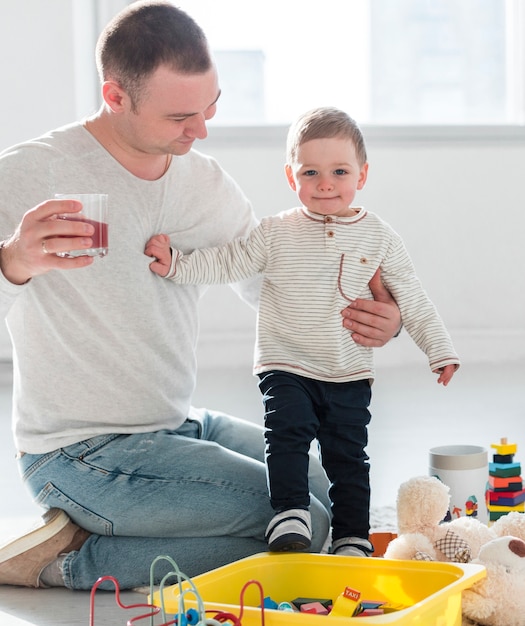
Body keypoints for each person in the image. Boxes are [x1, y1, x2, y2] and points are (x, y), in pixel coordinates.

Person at [0, 2, 401, 591]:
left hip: (175, 424)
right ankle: (65, 563)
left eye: (211, 106)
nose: (201, 130)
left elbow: (266, 282)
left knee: (331, 498)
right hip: (76, 451)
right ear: (116, 97)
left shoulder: (202, 181)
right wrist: (11, 262)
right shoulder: (32, 172)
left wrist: (365, 316)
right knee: (300, 524)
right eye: (180, 116)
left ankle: (112, 529)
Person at [145, 106, 460, 557]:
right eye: (310, 172)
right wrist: (177, 263)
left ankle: (353, 535)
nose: (325, 183)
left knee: (348, 457)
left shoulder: (379, 237)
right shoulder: (276, 232)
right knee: (286, 435)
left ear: (362, 175)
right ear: (292, 178)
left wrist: (439, 350)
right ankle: (290, 512)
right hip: (285, 362)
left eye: (339, 171)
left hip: (348, 372)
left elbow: (410, 295)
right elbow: (228, 261)